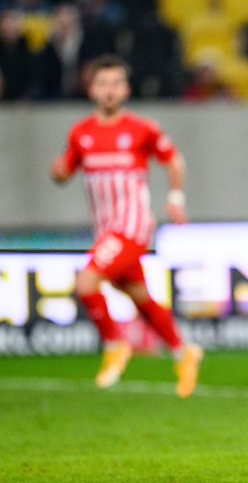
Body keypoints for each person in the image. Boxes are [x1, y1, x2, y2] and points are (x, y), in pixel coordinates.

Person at [50, 54, 203, 398]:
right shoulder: (81, 134)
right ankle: (184, 351)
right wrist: (57, 171)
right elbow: (64, 171)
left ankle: (114, 344)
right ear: (91, 90)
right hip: (106, 231)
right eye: (102, 84)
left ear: (126, 89)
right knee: (140, 297)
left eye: (115, 83)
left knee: (86, 281)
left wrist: (175, 199)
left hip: (132, 227)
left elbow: (173, 160)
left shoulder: (141, 128)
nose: (109, 90)